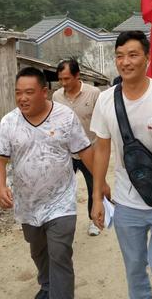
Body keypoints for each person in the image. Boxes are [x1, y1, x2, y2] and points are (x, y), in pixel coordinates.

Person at [0, 67, 109, 299]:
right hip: (28, 204)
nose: (22, 98)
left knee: (60, 253)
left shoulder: (64, 117)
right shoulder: (8, 122)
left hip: (61, 201)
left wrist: (101, 183)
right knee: (38, 251)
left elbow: (84, 151)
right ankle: (46, 286)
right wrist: (1, 186)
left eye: (29, 92)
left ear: (44, 91)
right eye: (18, 93)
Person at [90, 31, 152, 299]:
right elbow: (101, 150)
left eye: (133, 55)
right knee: (134, 269)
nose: (125, 62)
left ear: (147, 58)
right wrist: (97, 197)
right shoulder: (106, 99)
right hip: (125, 203)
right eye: (119, 56)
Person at [53, 58, 101, 236]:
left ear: (77, 75)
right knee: (62, 189)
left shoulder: (94, 93)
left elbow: (102, 123)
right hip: (67, 154)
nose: (63, 83)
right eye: (60, 79)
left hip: (90, 151)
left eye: (67, 79)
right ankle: (61, 222)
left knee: (93, 186)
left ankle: (94, 220)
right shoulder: (57, 96)